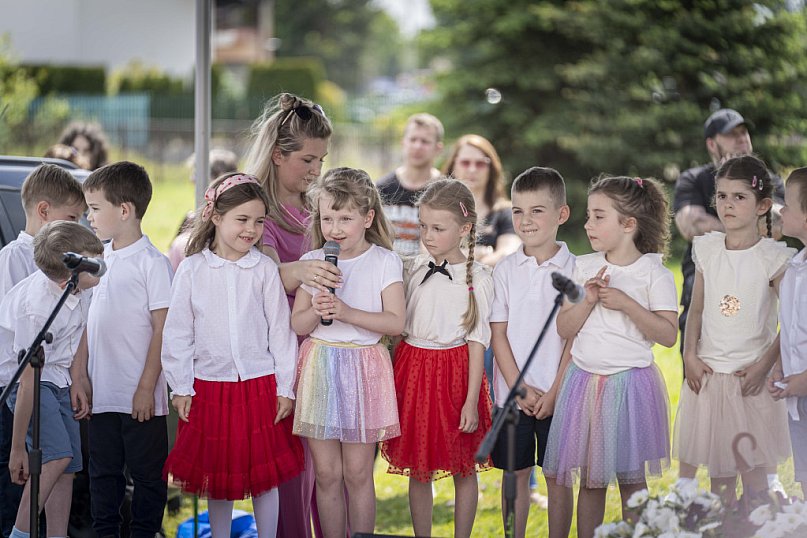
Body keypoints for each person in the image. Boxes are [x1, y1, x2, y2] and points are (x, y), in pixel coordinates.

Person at [161, 173, 304, 537]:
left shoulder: (264, 270)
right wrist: (181, 385)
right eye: (242, 219)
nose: (251, 229)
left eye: (258, 221)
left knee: (264, 476)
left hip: (260, 386)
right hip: (208, 387)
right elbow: (178, 332)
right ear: (216, 216)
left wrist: (286, 387)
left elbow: (280, 332)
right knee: (217, 475)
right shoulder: (193, 269)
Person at [544, 176, 678, 538]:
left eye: (598, 216)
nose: (588, 224)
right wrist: (587, 300)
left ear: (628, 224)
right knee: (591, 480)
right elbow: (564, 327)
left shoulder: (653, 273)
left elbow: (667, 335)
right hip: (584, 384)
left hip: (631, 387)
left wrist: (627, 304)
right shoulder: (583, 267)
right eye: (589, 216)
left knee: (632, 483)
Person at [674, 155, 794, 508]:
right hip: (711, 379)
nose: (727, 204)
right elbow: (696, 310)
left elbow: (790, 323)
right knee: (720, 482)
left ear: (764, 206)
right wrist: (689, 355)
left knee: (755, 482)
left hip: (749, 383)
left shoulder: (773, 259)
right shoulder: (708, 249)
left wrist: (764, 365)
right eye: (722, 196)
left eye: (739, 197)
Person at [291, 167, 405, 538]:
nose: (335, 228)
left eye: (345, 218)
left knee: (357, 472)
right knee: (326, 472)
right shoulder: (315, 259)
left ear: (368, 217)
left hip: (364, 368)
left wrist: (346, 312)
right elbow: (298, 324)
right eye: (327, 218)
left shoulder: (385, 261)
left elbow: (395, 323)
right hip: (321, 364)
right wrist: (316, 309)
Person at [243, 92, 334, 538]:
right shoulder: (255, 210)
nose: (316, 170)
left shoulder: (316, 210)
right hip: (278, 355)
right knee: (291, 469)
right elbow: (256, 273)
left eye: (322, 160)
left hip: (319, 350)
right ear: (278, 155)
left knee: (323, 468)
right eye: (308, 160)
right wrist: (298, 270)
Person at [380, 179, 493, 538]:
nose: (428, 235)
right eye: (424, 226)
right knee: (419, 465)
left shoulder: (478, 278)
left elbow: (477, 342)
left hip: (456, 373)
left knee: (464, 466)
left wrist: (472, 400)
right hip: (413, 369)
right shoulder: (411, 268)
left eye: (438, 228)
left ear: (464, 229)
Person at [82, 162, 174, 537]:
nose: (89, 217)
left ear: (124, 210)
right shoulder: (97, 261)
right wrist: (78, 376)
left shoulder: (153, 264)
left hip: (140, 400)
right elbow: (88, 323)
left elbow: (162, 328)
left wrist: (145, 387)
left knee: (147, 479)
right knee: (103, 477)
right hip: (102, 395)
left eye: (95, 208)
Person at [0, 221, 103, 538]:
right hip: (28, 383)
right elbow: (28, 380)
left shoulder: (81, 287)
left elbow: (80, 329)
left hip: (58, 377)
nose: (102, 268)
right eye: (94, 264)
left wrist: (76, 378)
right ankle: (19, 533)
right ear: (65, 280)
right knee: (55, 456)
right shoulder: (37, 307)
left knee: (68, 466)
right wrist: (18, 448)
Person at [488, 167, 575, 538]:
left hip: (562, 393)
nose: (525, 220)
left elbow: (575, 340)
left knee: (557, 476)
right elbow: (499, 334)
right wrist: (519, 389)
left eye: (537, 210)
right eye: (518, 211)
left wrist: (554, 392)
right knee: (516, 475)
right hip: (513, 396)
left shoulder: (577, 269)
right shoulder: (505, 270)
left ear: (561, 214)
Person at [770, 167, 807, 496]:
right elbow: (792, 328)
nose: (781, 210)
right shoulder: (796, 267)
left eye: (790, 206)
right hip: (799, 398)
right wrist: (781, 366)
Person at [442, 134, 519, 267]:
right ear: (454, 165)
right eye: (465, 163)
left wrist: (455, 257)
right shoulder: (437, 210)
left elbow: (508, 256)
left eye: (480, 163)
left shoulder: (508, 213)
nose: (472, 169)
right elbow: (428, 257)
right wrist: (480, 253)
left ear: (491, 169)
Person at [377, 113, 444, 257]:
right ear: (403, 143)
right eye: (413, 139)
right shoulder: (382, 188)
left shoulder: (446, 191)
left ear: (438, 149)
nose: (417, 146)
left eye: (425, 141)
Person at [167, 148, 239, 271]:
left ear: (219, 177)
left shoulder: (235, 221)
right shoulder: (191, 218)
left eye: (196, 174)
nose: (192, 179)